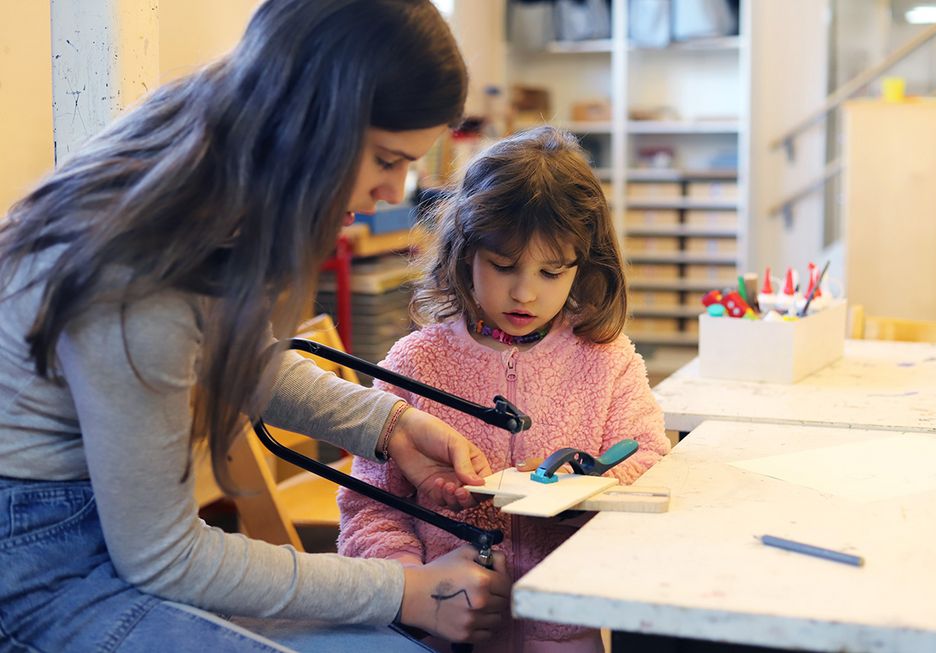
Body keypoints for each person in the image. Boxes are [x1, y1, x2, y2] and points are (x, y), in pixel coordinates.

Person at [0, 1, 511, 651]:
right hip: (37, 565)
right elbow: (165, 558)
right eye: (386, 159)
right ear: (313, 121)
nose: (394, 191)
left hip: (103, 533)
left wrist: (390, 425)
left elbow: (237, 352)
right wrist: (409, 590)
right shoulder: (139, 273)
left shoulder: (206, 167)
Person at [338, 126, 672, 653]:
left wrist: (584, 491)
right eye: (503, 266)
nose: (525, 292)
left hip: (566, 629)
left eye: (551, 272)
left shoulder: (607, 360)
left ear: (583, 267)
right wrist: (413, 583)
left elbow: (649, 459)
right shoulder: (414, 363)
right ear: (465, 251)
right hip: (445, 633)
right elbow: (369, 508)